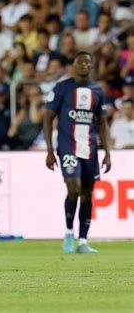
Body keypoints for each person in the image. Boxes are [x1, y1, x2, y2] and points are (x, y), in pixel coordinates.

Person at [43, 51, 111, 254]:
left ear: (92, 66)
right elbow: (47, 118)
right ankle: (69, 233)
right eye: (80, 62)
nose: (84, 65)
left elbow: (103, 123)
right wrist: (49, 150)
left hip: (89, 148)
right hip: (67, 147)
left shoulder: (97, 91)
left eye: (87, 62)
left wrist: (107, 152)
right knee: (73, 188)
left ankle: (83, 241)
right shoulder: (62, 88)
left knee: (88, 194)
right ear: (73, 65)